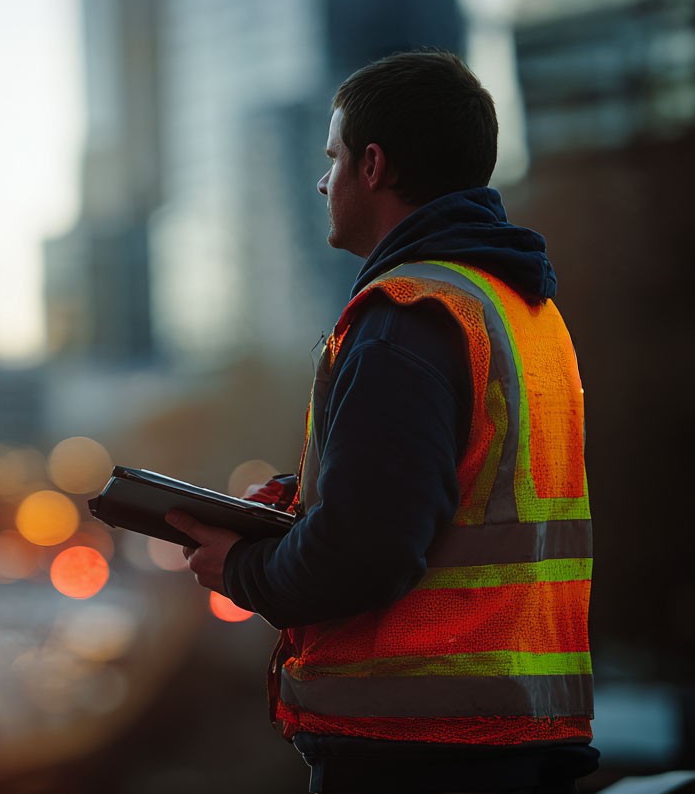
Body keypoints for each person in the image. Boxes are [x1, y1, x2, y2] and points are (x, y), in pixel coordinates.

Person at [166, 50, 597, 794]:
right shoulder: (519, 310)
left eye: (331, 157)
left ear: (372, 165)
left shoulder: (404, 318)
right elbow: (464, 492)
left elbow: (364, 554)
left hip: (413, 755)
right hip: (515, 737)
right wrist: (306, 503)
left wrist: (239, 568)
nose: (322, 180)